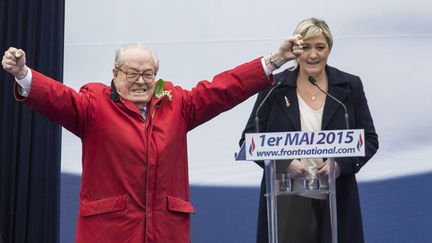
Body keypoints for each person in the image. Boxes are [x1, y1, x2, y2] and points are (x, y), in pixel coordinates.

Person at [2, 36, 303, 242]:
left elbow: (224, 89)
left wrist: (274, 60)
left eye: (148, 74)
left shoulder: (177, 103)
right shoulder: (94, 104)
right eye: (132, 73)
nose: (141, 81)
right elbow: (57, 98)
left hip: (166, 231)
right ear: (115, 73)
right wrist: (23, 73)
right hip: (111, 232)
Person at [240, 18, 379, 243]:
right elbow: (248, 141)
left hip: (336, 197)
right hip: (286, 199)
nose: (313, 55)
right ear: (296, 50)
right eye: (306, 47)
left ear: (329, 49)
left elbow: (369, 140)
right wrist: (282, 162)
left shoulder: (349, 86)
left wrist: (341, 165)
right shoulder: (274, 86)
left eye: (320, 47)